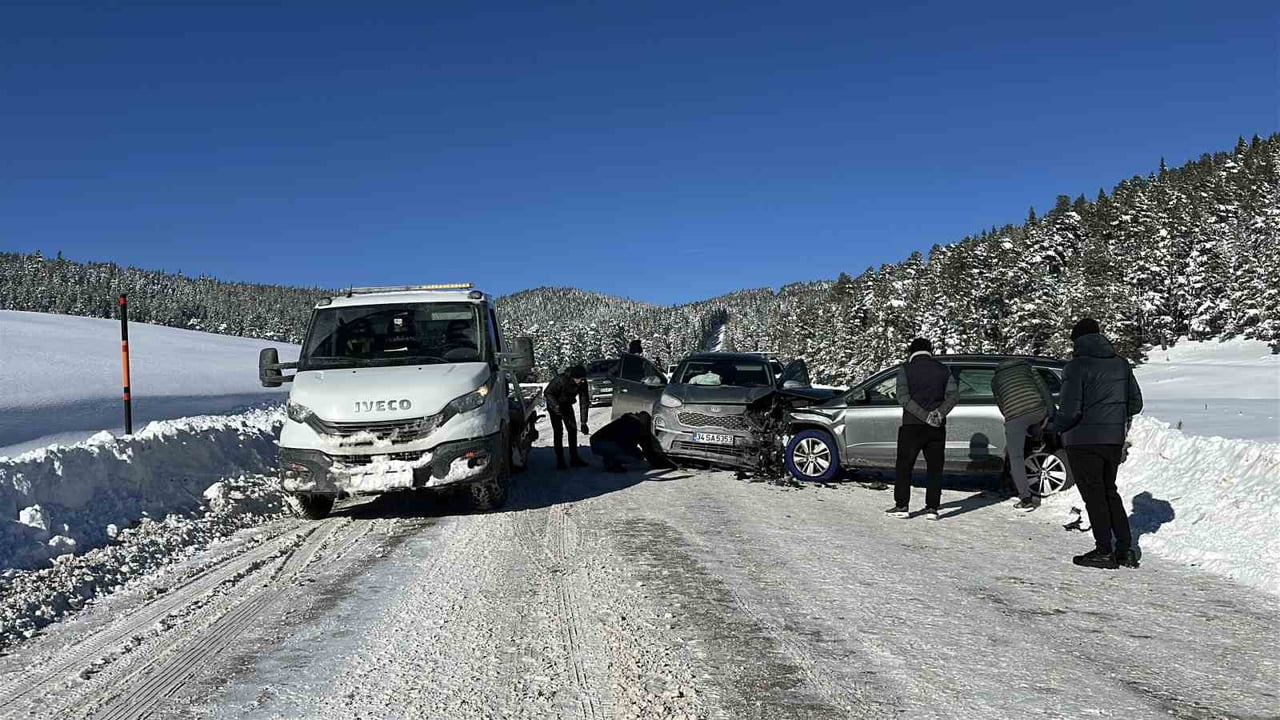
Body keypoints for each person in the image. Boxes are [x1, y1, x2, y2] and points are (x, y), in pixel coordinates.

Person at [1052, 318, 1143, 569]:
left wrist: (1053, 427)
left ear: (1076, 341)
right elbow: (1136, 403)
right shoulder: (1121, 365)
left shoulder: (1076, 367)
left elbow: (1070, 410)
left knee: (1094, 495)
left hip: (1083, 439)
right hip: (1112, 440)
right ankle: (1125, 549)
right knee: (1109, 491)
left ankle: (1104, 550)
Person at [886, 338, 959, 520]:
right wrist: (938, 414)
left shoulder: (905, 369)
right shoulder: (944, 370)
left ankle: (902, 506)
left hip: (911, 425)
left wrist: (923, 415)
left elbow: (903, 397)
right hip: (936, 427)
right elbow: (953, 396)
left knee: (904, 466)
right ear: (930, 351)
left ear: (912, 351)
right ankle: (932, 508)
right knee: (935, 468)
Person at [991, 358, 1056, 511]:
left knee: (1016, 458)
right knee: (1039, 421)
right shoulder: (1028, 369)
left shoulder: (995, 380)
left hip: (1014, 416)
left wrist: (1011, 419)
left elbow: (1001, 404)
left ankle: (1026, 499)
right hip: (1037, 408)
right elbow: (1044, 390)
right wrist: (1050, 413)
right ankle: (1037, 441)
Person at [589, 411, 671, 472]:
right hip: (603, 443)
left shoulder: (626, 420)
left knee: (632, 452)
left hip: (595, 442)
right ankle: (611, 462)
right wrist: (661, 463)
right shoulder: (637, 427)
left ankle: (610, 459)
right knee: (636, 457)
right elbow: (647, 449)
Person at [544, 364, 590, 470]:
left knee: (572, 430)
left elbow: (584, 402)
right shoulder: (560, 380)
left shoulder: (583, 383)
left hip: (567, 405)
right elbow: (548, 393)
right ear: (574, 377)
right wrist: (556, 407)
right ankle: (560, 460)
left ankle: (574, 458)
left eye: (584, 379)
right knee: (558, 432)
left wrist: (584, 422)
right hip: (554, 406)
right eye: (580, 379)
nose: (582, 381)